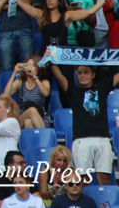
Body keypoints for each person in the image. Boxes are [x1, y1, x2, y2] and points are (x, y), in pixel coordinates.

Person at [48, 57, 119, 185]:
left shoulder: (102, 86)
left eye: (85, 72)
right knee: (83, 180)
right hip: (81, 140)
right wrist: (52, 61)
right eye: (80, 73)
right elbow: (60, 78)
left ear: (93, 74)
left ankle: (104, 204)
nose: (82, 75)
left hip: (102, 139)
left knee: (104, 178)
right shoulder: (73, 90)